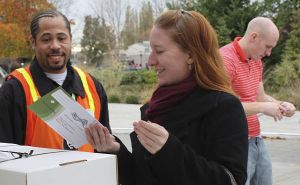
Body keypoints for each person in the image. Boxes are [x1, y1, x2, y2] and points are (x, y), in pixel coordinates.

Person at [85, 10, 248, 185]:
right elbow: (141, 175)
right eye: (151, 50)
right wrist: (115, 150)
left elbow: (231, 180)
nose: (150, 61)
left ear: (191, 54)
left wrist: (169, 151)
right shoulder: (155, 106)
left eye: (159, 51)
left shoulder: (224, 107)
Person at [0, 10, 110, 152]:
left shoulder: (93, 86)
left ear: (70, 39)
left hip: (86, 174)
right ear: (33, 42)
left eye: (61, 38)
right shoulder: (14, 90)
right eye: (46, 39)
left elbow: (105, 148)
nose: (55, 46)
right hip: (37, 174)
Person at [220, 17, 296, 185]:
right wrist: (263, 107)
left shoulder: (256, 60)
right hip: (234, 142)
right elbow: (222, 107)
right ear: (254, 37)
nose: (268, 53)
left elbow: (260, 97)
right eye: (267, 46)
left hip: (256, 139)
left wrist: (281, 104)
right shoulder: (225, 60)